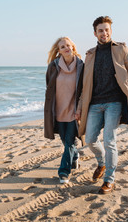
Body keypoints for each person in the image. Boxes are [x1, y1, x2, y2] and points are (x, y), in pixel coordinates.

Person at [75, 16, 128, 194]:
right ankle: (102, 163)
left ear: (111, 31)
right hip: (94, 103)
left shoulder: (121, 49)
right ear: (95, 33)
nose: (104, 33)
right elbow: (85, 84)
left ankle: (109, 180)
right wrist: (79, 106)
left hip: (114, 102)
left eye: (107, 29)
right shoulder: (90, 54)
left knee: (110, 141)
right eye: (100, 30)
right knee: (90, 139)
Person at [44, 37, 84, 184]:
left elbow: (85, 89)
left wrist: (81, 107)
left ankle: (63, 172)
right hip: (58, 110)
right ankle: (74, 157)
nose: (66, 48)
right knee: (64, 140)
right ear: (59, 51)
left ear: (73, 47)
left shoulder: (81, 66)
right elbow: (49, 86)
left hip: (74, 111)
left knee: (69, 141)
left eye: (68, 45)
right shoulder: (53, 66)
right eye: (62, 47)